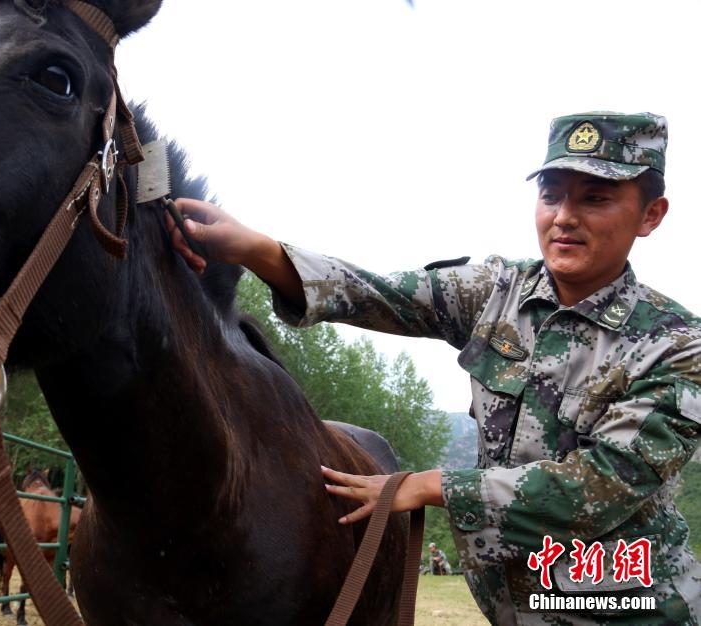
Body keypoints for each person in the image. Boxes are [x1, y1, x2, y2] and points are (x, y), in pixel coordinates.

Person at [166, 112, 701, 624]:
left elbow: (601, 485)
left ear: (650, 215)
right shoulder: (497, 290)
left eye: (596, 198)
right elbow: (380, 294)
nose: (564, 216)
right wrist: (254, 248)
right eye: (551, 193)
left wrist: (429, 486)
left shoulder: (676, 345)